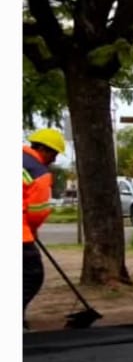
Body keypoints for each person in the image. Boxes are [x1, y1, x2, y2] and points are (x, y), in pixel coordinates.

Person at [23, 127, 65, 326]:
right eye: (54, 154)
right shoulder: (38, 172)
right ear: (44, 150)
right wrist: (31, 229)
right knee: (32, 275)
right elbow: (37, 211)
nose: (54, 160)